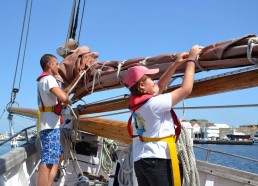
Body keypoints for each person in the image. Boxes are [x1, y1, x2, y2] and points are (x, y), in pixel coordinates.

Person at [123, 45, 202, 186]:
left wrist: (176, 64)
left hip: (141, 161)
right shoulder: (154, 104)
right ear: (142, 86)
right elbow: (186, 89)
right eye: (151, 79)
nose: (154, 81)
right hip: (157, 160)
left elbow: (159, 87)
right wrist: (191, 60)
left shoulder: (138, 105)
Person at [37, 54, 71, 186]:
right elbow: (63, 97)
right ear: (49, 65)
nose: (58, 66)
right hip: (49, 125)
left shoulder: (44, 80)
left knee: (58, 156)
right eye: (56, 63)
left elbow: (55, 100)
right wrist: (68, 99)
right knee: (48, 162)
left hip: (50, 123)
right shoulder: (49, 79)